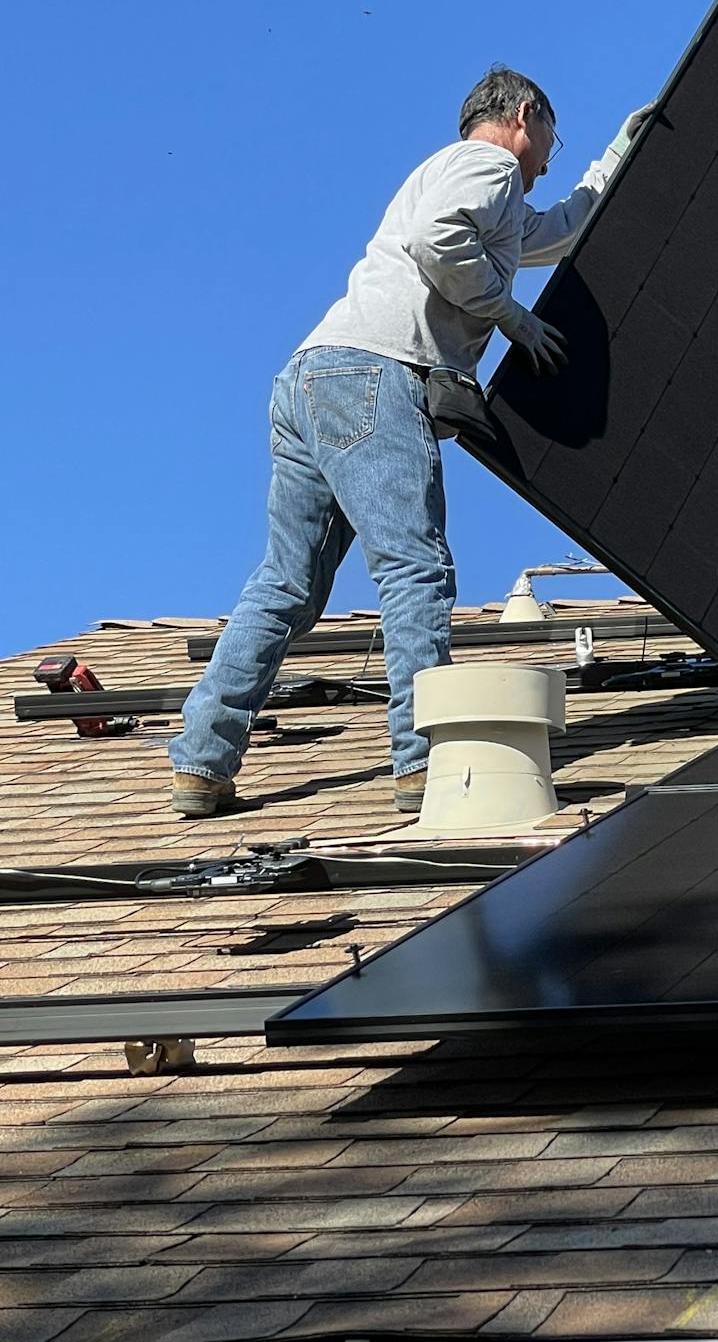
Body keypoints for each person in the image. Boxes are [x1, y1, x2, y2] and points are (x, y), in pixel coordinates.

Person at [169, 67, 652, 818]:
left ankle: (201, 760)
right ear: (525, 115)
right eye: (555, 136)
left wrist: (619, 155)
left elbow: (555, 232)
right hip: (375, 375)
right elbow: (438, 242)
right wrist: (510, 318)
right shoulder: (487, 165)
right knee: (415, 568)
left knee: (286, 586)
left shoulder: (466, 183)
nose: (554, 154)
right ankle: (424, 765)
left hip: (310, 378)